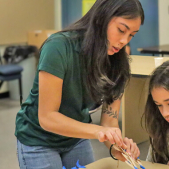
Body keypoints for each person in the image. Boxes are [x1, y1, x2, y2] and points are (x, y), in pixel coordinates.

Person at [15, 0, 144, 168]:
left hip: (75, 137)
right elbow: (47, 117)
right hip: (38, 138)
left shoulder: (118, 62)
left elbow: (109, 122)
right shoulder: (58, 47)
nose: (124, 41)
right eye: (121, 30)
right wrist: (98, 131)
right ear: (102, 17)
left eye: (131, 35)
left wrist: (115, 147)